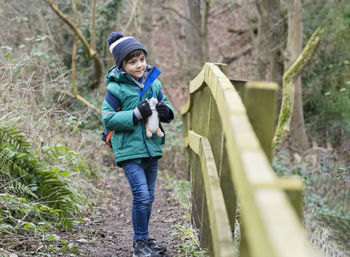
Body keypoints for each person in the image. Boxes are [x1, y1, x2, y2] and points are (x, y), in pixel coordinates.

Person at [101, 32, 174, 257]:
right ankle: (138, 244)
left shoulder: (154, 83)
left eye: (141, 59)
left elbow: (168, 108)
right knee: (141, 195)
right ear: (122, 66)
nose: (139, 65)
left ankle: (144, 240)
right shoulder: (116, 89)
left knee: (149, 196)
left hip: (151, 147)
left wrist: (165, 111)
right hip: (128, 150)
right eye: (133, 62)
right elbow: (108, 118)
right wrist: (135, 113)